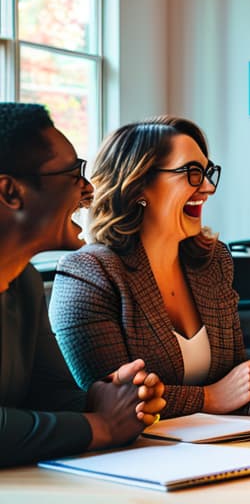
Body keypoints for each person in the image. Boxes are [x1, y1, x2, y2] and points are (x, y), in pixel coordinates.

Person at [50, 116, 250, 418]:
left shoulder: (213, 260)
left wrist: (249, 389)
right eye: (192, 173)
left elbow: (233, 374)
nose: (207, 187)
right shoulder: (88, 272)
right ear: (138, 184)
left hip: (218, 445)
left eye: (207, 172)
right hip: (131, 455)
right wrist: (209, 398)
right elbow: (110, 397)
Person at [0, 103, 164, 466]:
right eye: (74, 175)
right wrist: (100, 426)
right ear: (11, 192)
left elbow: (52, 394)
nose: (89, 190)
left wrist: (111, 398)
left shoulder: (23, 282)